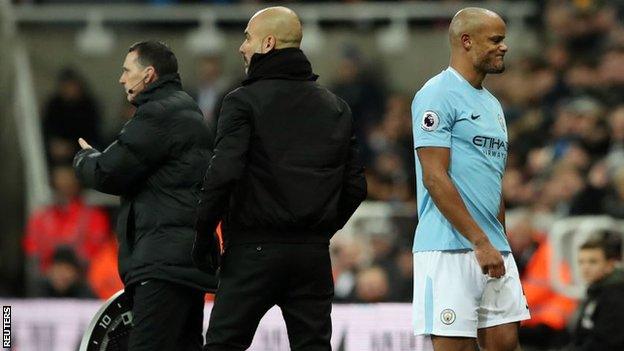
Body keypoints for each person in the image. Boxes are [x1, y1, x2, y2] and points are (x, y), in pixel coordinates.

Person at [193, 6, 367, 351]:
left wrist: (201, 234)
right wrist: (317, 231)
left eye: (247, 38)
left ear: (268, 43)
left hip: (251, 252)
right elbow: (356, 186)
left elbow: (223, 173)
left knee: (222, 346)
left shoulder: (241, 102)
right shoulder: (335, 107)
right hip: (311, 257)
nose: (242, 47)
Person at [73, 41, 216, 351]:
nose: (122, 79)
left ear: (149, 74)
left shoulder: (158, 115)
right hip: (186, 263)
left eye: (127, 71)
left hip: (163, 264)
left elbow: (109, 172)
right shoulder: (187, 111)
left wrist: (84, 159)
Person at [411, 8, 530, 351]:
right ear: (466, 41)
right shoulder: (436, 94)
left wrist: (499, 243)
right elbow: (434, 176)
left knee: (506, 344)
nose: (504, 47)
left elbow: (493, 181)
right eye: (495, 39)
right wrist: (480, 241)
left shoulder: (492, 105)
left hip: (494, 247)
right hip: (450, 248)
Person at [569, 236, 624, 351]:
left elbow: (606, 343)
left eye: (592, 262)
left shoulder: (616, 297)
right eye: (581, 262)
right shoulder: (595, 291)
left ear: (609, 265)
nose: (585, 267)